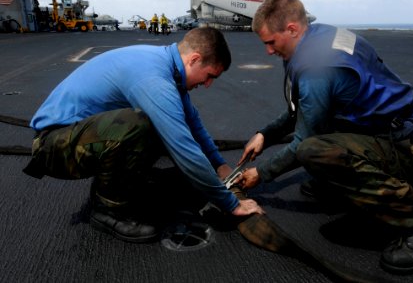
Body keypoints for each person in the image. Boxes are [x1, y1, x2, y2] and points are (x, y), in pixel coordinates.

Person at [237, 0, 413, 274]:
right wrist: (265, 134)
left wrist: (261, 173)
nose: (269, 51)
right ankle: (342, 183)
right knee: (319, 142)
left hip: (408, 149)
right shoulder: (319, 37)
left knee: (313, 151)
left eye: (271, 42)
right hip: (384, 131)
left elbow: (303, 140)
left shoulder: (317, 70)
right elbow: (304, 109)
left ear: (293, 29)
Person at [23, 27, 264, 243]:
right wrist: (232, 204)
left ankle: (128, 184)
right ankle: (107, 210)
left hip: (80, 136)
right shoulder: (153, 78)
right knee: (140, 124)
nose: (208, 84)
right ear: (194, 59)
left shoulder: (166, 65)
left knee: (162, 124)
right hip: (54, 146)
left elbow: (194, 126)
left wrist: (220, 167)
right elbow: (184, 148)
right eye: (210, 75)